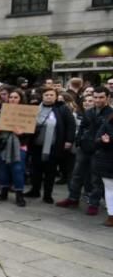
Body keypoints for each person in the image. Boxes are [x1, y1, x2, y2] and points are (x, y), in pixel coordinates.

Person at [56, 87, 111, 215]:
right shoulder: (89, 111)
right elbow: (82, 127)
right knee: (76, 174)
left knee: (95, 179)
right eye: (96, 97)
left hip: (100, 150)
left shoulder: (110, 113)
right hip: (84, 148)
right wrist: (79, 141)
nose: (98, 100)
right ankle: (73, 198)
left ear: (107, 98)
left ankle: (93, 203)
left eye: (101, 97)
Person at [25, 87, 76, 203]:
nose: (49, 97)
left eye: (51, 95)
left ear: (56, 96)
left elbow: (70, 125)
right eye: (46, 95)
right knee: (35, 169)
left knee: (50, 171)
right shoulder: (35, 108)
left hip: (54, 146)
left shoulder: (62, 109)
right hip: (36, 145)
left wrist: (69, 140)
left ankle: (48, 195)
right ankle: (34, 190)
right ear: (42, 96)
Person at [0, 90, 32, 207]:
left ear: (21, 99)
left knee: (17, 168)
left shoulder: (26, 113)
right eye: (11, 97)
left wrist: (22, 133)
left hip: (20, 144)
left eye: (16, 97)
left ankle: (19, 194)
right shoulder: (0, 113)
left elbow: (32, 131)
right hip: (3, 143)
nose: (13, 99)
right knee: (3, 168)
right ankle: (3, 191)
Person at [93, 109, 113, 227]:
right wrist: (103, 141)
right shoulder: (107, 123)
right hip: (108, 162)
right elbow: (96, 141)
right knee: (110, 189)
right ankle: (111, 215)